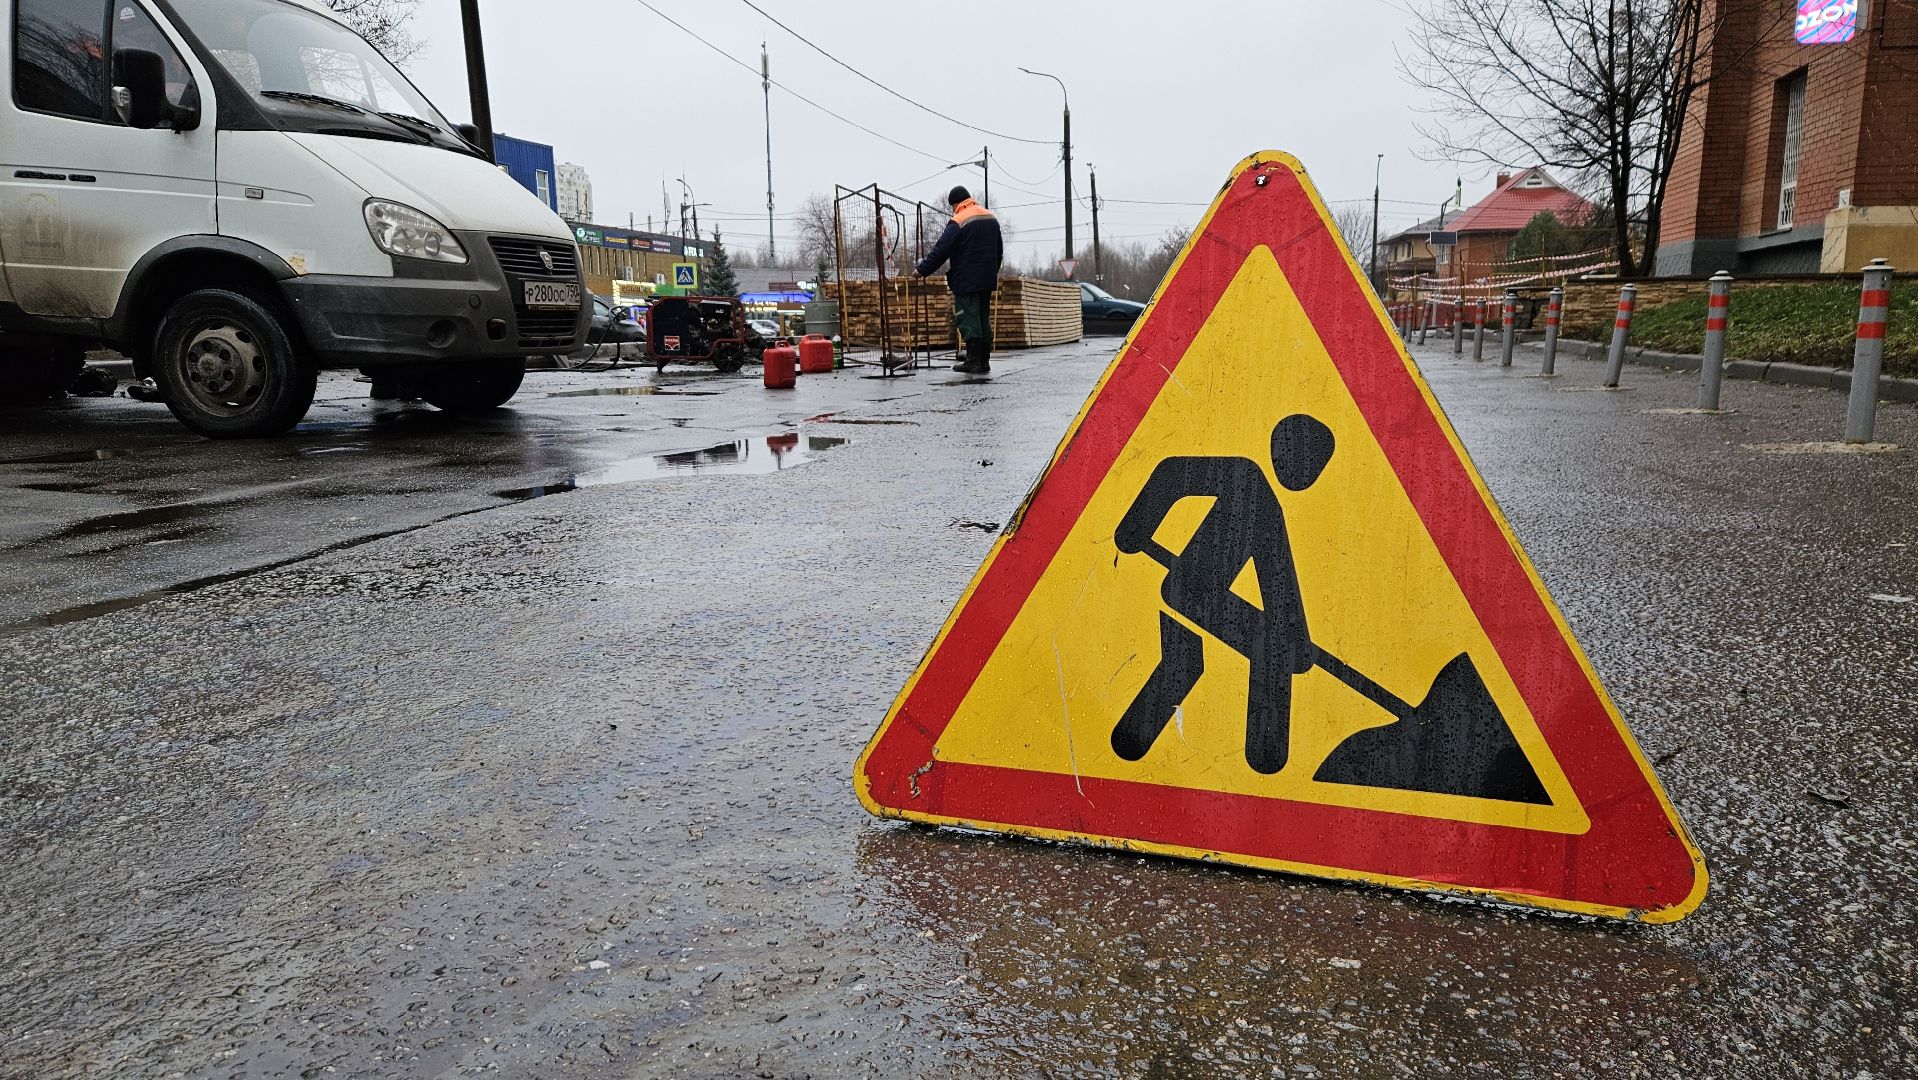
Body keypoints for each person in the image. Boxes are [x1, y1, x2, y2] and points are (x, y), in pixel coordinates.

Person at [915, 186, 1004, 375]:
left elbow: (941, 250)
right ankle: (984, 361)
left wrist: (922, 270)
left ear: (956, 203)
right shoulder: (990, 217)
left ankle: (973, 362)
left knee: (968, 318)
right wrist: (991, 272)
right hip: (986, 279)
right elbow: (999, 250)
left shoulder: (959, 220)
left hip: (967, 280)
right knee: (982, 318)